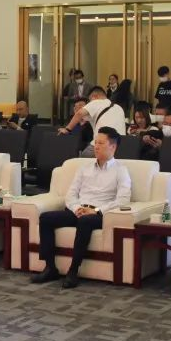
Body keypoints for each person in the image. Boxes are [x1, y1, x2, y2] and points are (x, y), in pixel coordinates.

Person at [31, 128, 131, 289]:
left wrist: (96, 210)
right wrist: (77, 208)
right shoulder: (84, 168)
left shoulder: (121, 170)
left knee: (85, 222)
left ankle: (73, 271)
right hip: (78, 210)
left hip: (99, 215)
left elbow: (123, 199)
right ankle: (50, 268)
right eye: (95, 143)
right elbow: (71, 194)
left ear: (113, 146)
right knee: (46, 218)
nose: (96, 146)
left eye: (101, 143)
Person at [58, 86, 126, 157]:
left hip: (102, 144)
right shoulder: (119, 107)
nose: (89, 103)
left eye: (90, 100)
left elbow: (79, 114)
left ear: (95, 96)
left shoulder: (96, 102)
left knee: (83, 158)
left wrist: (67, 129)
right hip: (121, 147)